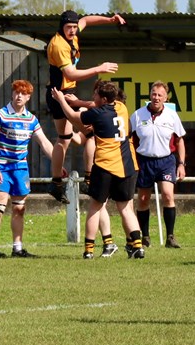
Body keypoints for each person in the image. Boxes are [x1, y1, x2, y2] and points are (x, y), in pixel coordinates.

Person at [51, 81, 145, 259]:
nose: (92, 97)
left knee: (95, 207)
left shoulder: (97, 114)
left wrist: (61, 99)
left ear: (103, 99)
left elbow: (72, 116)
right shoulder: (122, 108)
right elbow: (92, 104)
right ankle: (138, 247)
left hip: (105, 166)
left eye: (95, 94)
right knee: (126, 208)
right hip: (127, 166)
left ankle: (89, 250)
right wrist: (79, 102)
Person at [45, 10, 126, 203]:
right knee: (89, 135)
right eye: (69, 27)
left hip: (63, 93)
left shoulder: (72, 34)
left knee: (65, 138)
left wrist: (109, 20)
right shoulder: (58, 45)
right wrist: (99, 68)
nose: (73, 30)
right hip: (60, 94)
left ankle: (56, 183)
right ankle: (88, 180)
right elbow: (71, 74)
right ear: (62, 27)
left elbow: (86, 20)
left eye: (74, 27)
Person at [0, 80, 56, 258]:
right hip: (2, 167)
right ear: (12, 94)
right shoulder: (0, 115)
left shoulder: (31, 119)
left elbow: (44, 143)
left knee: (19, 209)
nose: (19, 96)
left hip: (20, 169)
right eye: (16, 92)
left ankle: (17, 248)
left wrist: (58, 163)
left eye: (23, 93)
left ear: (28, 97)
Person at [130, 81, 186, 248]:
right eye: (154, 94)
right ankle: (145, 236)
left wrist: (181, 164)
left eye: (160, 95)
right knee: (143, 199)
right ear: (150, 95)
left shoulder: (172, 116)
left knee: (168, 195)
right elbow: (129, 139)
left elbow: (180, 140)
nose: (156, 98)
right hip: (144, 160)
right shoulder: (138, 115)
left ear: (166, 98)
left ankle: (170, 237)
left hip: (166, 160)